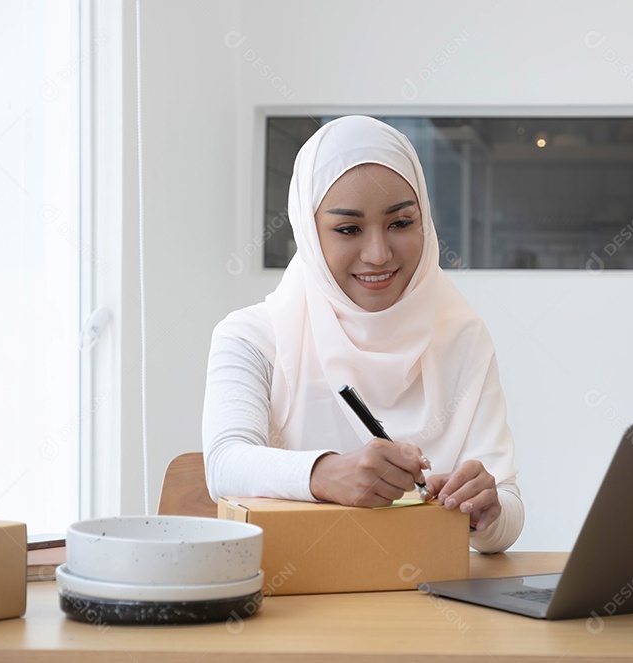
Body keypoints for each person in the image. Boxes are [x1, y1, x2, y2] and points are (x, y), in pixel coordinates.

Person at [202, 116, 523, 553]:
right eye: (348, 229)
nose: (378, 254)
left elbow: (505, 512)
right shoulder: (253, 337)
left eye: (401, 223)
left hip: (429, 601)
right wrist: (327, 474)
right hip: (296, 604)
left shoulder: (461, 336)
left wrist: (487, 512)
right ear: (310, 235)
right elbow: (224, 464)